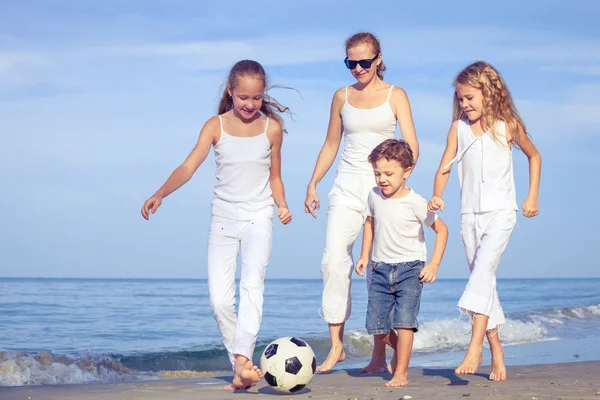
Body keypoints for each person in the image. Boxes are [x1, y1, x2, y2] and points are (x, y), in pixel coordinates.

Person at [140, 60, 293, 390]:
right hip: (223, 219)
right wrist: (160, 194)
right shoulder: (215, 126)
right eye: (243, 98)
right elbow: (188, 166)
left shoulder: (272, 128)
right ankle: (239, 367)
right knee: (220, 300)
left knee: (252, 286)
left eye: (256, 97)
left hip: (259, 216)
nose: (250, 104)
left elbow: (275, 177)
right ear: (230, 92)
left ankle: (241, 362)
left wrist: (281, 205)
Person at [304, 32, 419, 373]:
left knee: (377, 272)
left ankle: (379, 355)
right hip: (346, 185)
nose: (357, 68)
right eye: (350, 62)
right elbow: (330, 144)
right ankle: (337, 345)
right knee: (333, 261)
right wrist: (313, 183)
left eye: (364, 62)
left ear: (378, 59)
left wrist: (398, 187)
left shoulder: (396, 95)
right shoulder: (341, 97)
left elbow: (411, 145)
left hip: (381, 187)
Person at [428, 61, 541, 381]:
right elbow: (444, 168)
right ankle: (497, 349)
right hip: (468, 217)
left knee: (480, 273)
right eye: (460, 99)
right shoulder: (458, 128)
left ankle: (475, 344)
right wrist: (437, 195)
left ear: (489, 93)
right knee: (485, 282)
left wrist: (532, 195)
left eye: (469, 98)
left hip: (501, 213)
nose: (464, 105)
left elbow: (534, 155)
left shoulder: (508, 125)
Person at [355, 139, 448, 387]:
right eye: (377, 173)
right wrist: (364, 255)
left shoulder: (416, 202)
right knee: (377, 327)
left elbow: (442, 231)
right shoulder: (374, 196)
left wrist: (434, 265)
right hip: (379, 268)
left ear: (406, 171)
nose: (382, 179)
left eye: (388, 173)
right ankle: (402, 354)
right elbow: (369, 223)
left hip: (410, 269)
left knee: (405, 323)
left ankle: (401, 373)